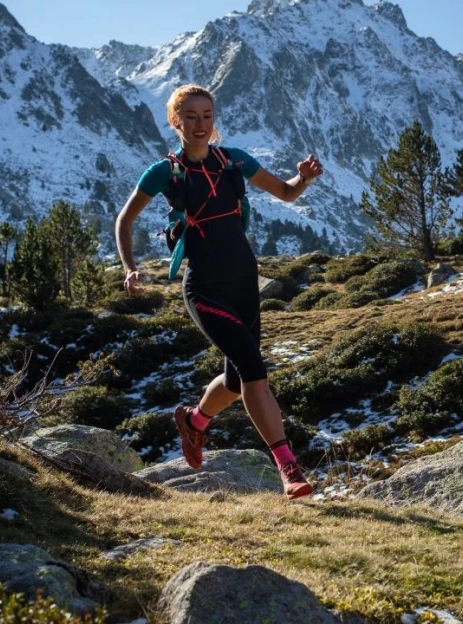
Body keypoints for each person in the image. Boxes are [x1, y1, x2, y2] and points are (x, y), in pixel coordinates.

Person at [114, 84, 323, 499]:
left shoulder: (234, 162)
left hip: (245, 283)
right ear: (176, 122)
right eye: (190, 116)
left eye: (207, 115)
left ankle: (194, 422)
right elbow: (124, 220)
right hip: (205, 289)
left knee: (233, 380)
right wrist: (130, 268)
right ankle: (289, 468)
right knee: (253, 368)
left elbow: (285, 191)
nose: (200, 124)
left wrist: (304, 176)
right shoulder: (164, 172)